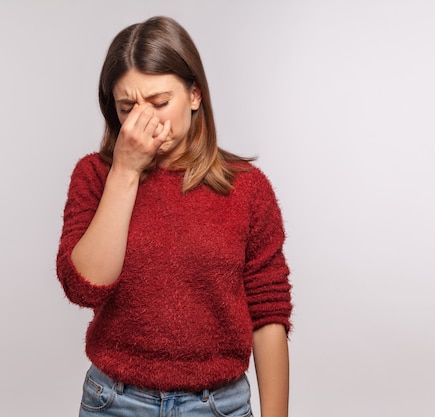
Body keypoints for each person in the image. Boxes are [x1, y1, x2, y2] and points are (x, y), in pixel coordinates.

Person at [56, 16, 293, 417]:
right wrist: (126, 171)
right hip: (115, 402)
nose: (141, 121)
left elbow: (268, 312)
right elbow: (86, 287)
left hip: (218, 405)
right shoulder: (95, 176)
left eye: (160, 103)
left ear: (195, 95)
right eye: (127, 107)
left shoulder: (248, 189)